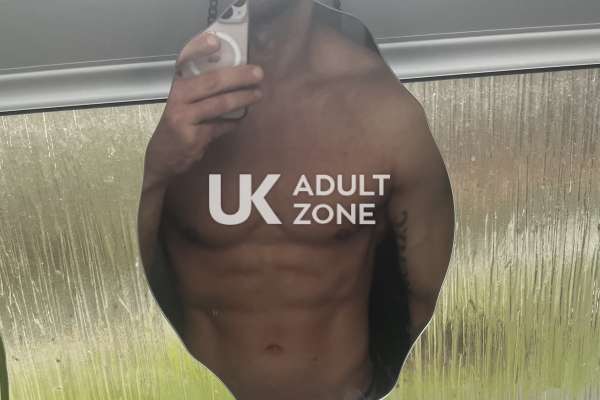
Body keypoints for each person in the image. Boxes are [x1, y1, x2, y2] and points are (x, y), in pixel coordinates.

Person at [137, 1, 455, 399]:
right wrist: (156, 168)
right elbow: (125, 291)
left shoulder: (385, 107)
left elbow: (429, 301)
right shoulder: (153, 105)